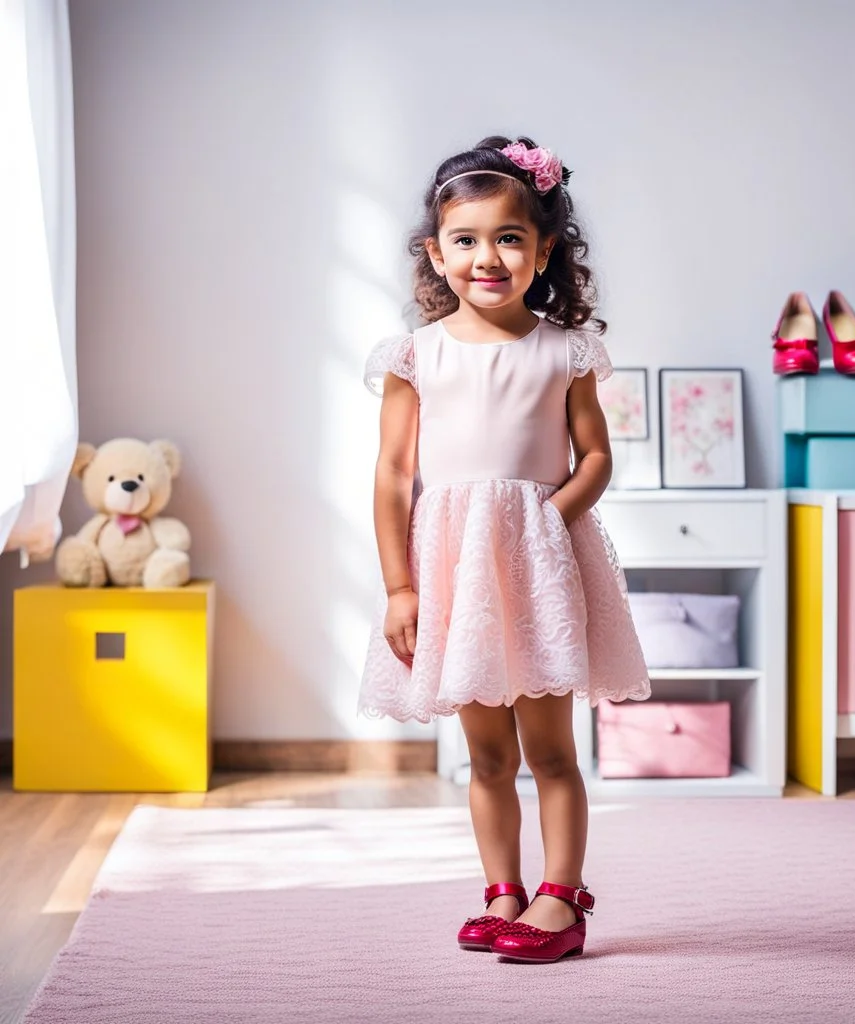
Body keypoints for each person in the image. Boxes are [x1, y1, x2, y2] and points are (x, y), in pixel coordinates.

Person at [360, 135, 649, 963]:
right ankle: (502, 891)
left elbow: (596, 456)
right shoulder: (416, 355)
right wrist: (400, 588)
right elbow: (391, 477)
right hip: (454, 571)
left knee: (550, 747)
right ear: (435, 251)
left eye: (510, 238)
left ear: (544, 249)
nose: (487, 257)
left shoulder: (565, 349)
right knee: (486, 755)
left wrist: (548, 519)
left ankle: (562, 895)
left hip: (540, 565)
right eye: (466, 239)